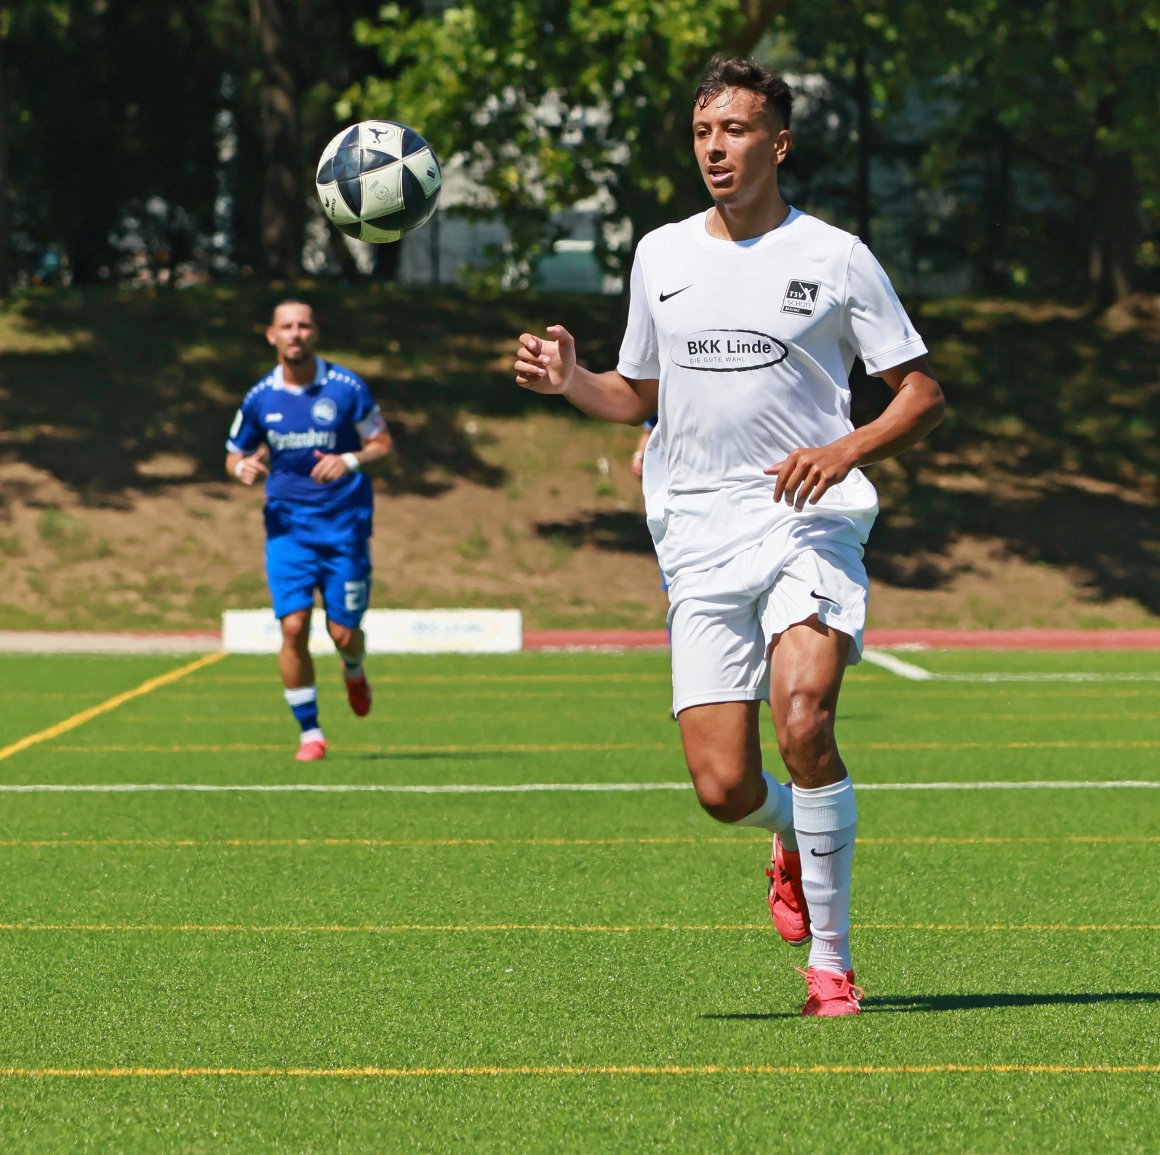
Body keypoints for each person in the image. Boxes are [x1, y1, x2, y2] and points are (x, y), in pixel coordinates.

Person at [514, 55, 945, 1016]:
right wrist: (569, 382)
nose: (716, 147)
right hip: (697, 533)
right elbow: (638, 398)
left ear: (777, 144)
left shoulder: (834, 255)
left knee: (805, 718)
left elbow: (921, 391)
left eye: (737, 130)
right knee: (721, 787)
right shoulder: (661, 255)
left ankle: (830, 964)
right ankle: (788, 832)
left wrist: (848, 447)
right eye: (705, 131)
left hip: (809, 521)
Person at [226, 299, 393, 762]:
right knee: (294, 626)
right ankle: (310, 734)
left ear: (315, 332)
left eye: (303, 326)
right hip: (288, 532)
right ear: (271, 335)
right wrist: (242, 468)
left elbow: (381, 441)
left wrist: (349, 459)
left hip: (344, 531)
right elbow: (233, 452)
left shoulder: (346, 388)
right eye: (287, 327)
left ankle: (354, 671)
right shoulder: (260, 397)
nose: (296, 334)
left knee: (344, 634)